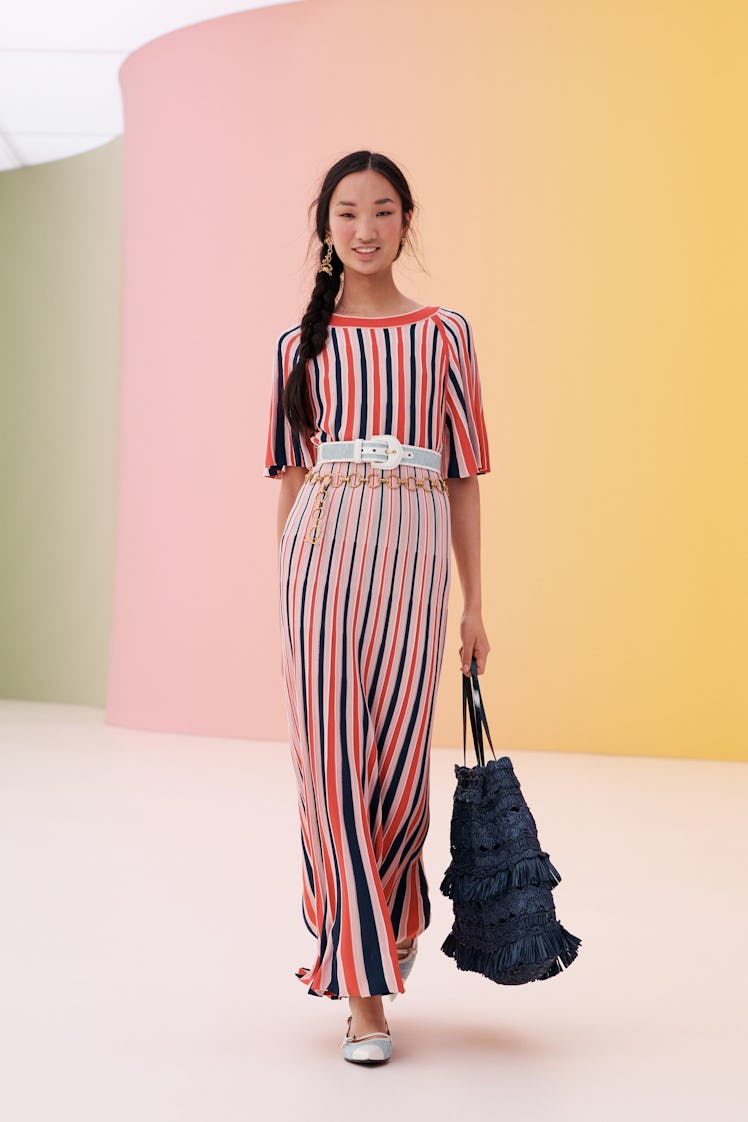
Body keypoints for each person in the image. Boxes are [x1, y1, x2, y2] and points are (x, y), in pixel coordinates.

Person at [264, 150, 491, 1064]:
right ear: (327, 224)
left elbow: (466, 474)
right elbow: (289, 479)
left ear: (406, 221)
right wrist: (281, 591)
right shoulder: (297, 345)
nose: (364, 228)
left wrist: (476, 606)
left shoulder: (446, 334)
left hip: (412, 565)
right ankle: (363, 995)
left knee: (397, 771)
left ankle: (385, 920)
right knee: (332, 777)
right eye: (348, 212)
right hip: (317, 566)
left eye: (382, 211)